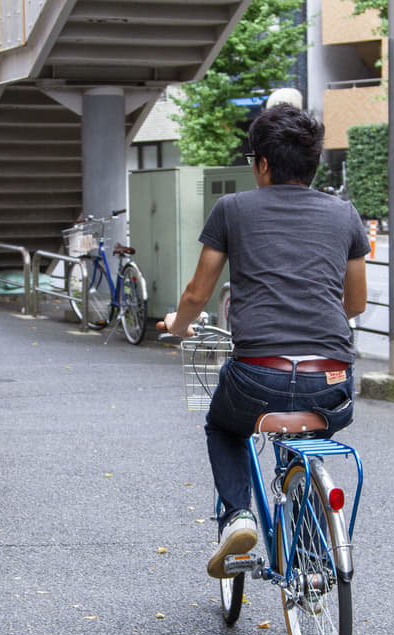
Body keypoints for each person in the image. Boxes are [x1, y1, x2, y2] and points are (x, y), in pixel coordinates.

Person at [157, 103, 369, 579]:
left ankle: (239, 516)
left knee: (225, 427)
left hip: (258, 376)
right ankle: (312, 545)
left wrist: (175, 324)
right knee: (309, 432)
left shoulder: (233, 209)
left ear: (264, 163)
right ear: (314, 162)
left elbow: (197, 292)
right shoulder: (345, 214)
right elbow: (354, 304)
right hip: (330, 378)